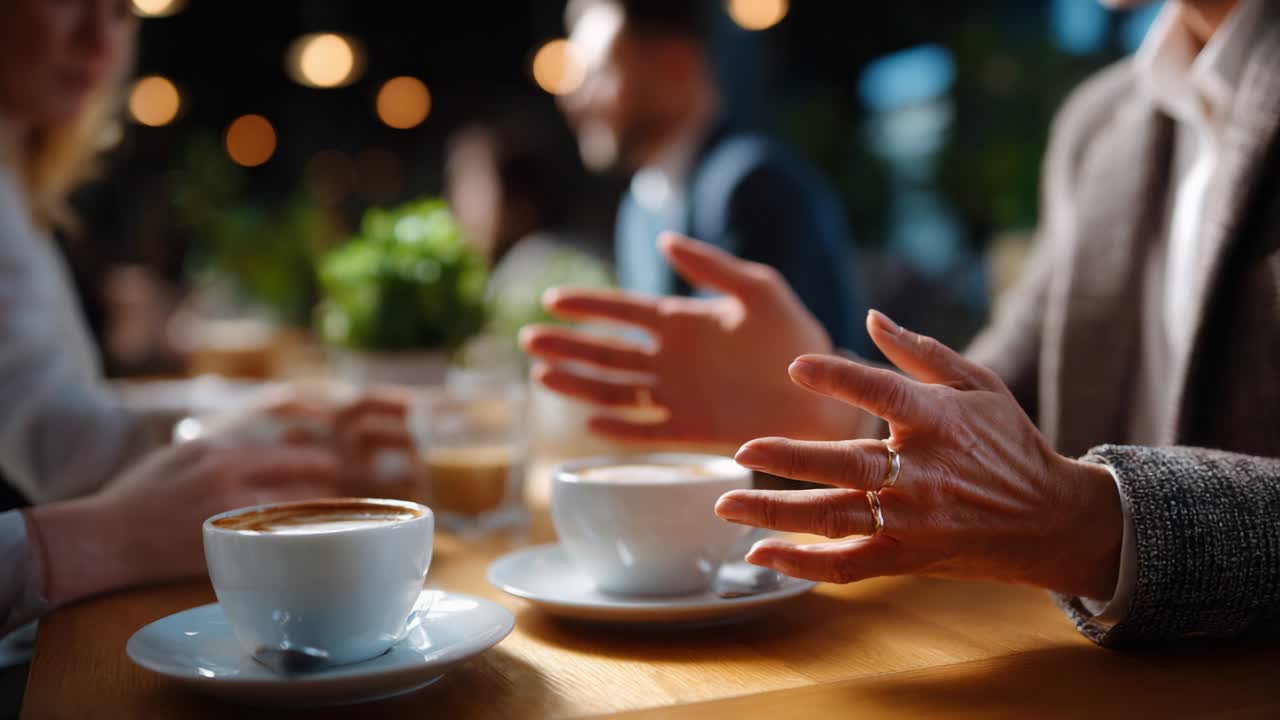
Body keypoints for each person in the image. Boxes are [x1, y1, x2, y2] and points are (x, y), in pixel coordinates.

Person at [523, 0, 1280, 647]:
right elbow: (1005, 410)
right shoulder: (1103, 125)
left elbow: (1036, 487)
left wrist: (1089, 523)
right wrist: (835, 410)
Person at [556, 0, 867, 353]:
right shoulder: (640, 206)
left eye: (601, 73)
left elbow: (776, 375)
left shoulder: (753, 187)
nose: (573, 100)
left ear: (676, 65)